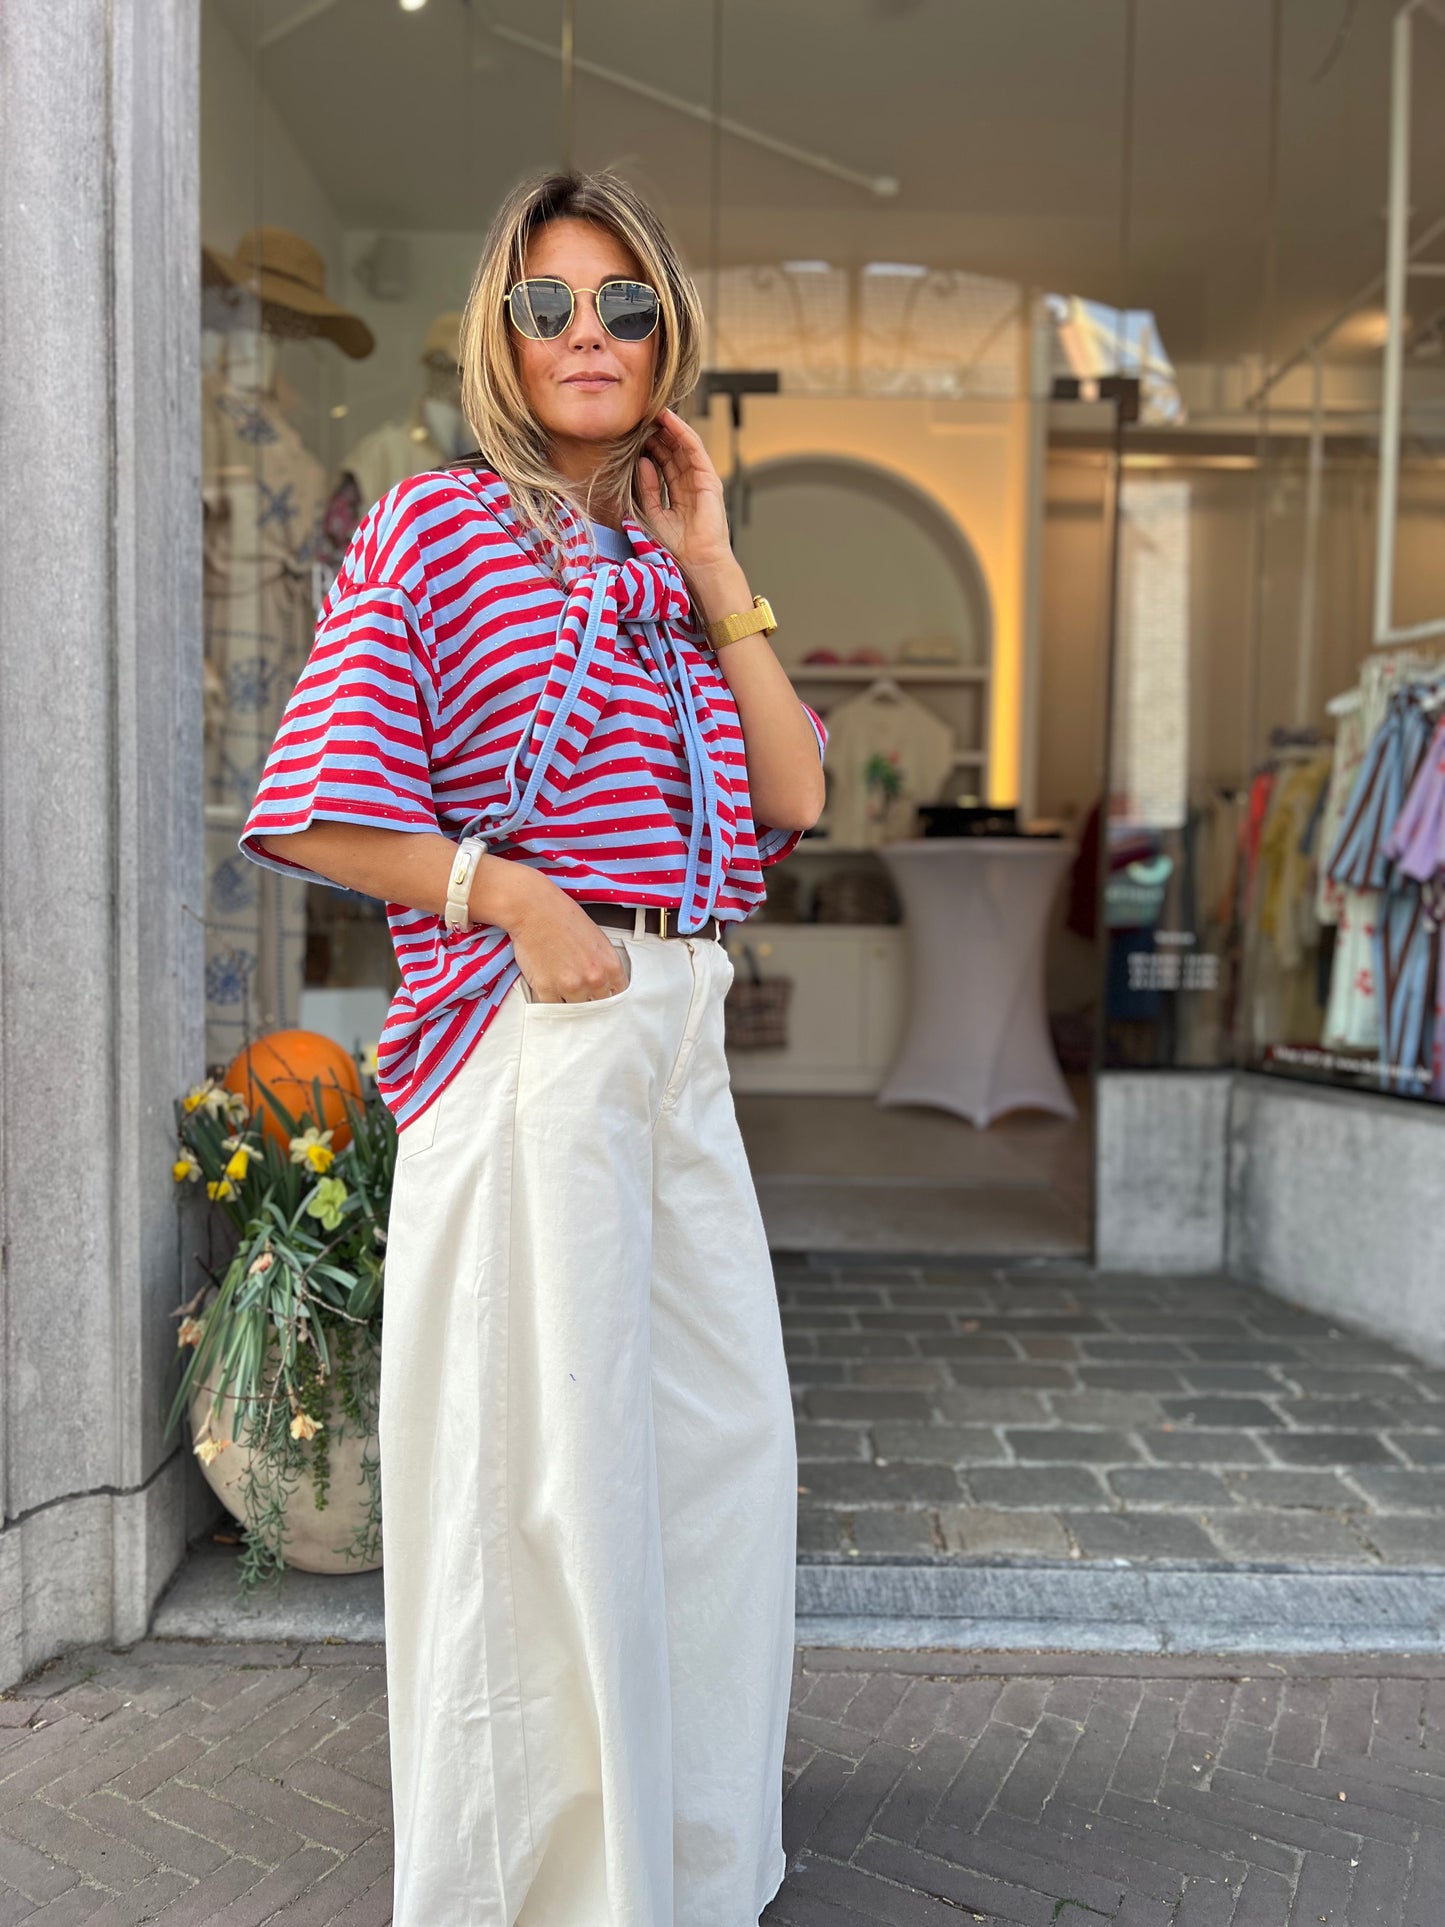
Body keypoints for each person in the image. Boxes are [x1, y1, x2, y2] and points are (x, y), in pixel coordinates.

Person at [237, 168, 827, 1926]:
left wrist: (716, 557)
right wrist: (512, 897)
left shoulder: (667, 559)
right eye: (552, 305)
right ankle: (528, 1892)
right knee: (533, 1490)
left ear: (668, 336)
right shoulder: (431, 524)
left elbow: (790, 796)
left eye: (626, 305)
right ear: (501, 331)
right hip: (531, 1037)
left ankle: (685, 1863)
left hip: (675, 1046)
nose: (590, 335)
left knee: (712, 1470)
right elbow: (320, 809)